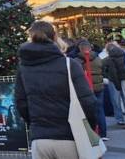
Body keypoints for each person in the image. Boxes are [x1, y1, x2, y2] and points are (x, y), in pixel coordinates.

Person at [15, 21, 98, 159]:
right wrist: (90, 125)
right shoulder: (69, 65)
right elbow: (88, 102)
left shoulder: (24, 68)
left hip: (40, 137)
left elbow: (21, 103)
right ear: (54, 37)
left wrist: (35, 123)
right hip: (70, 135)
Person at [77, 40, 107, 140]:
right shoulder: (98, 59)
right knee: (100, 110)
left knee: (88, 111)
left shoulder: (78, 61)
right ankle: (103, 133)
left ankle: (92, 132)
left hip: (87, 88)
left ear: (80, 49)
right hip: (99, 87)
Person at [105, 40, 125, 126]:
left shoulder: (107, 59)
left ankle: (120, 118)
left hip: (113, 81)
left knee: (116, 100)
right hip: (123, 79)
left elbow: (106, 70)